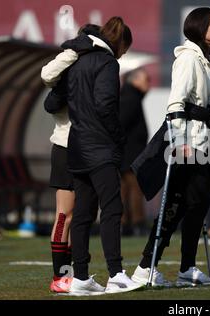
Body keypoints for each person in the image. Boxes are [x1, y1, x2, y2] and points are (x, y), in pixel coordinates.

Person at [131, 7, 210, 287]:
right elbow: (175, 104)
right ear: (199, 27)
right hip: (187, 144)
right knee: (175, 204)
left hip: (204, 141)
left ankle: (186, 268)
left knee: (198, 204)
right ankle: (146, 265)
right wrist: (181, 143)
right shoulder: (188, 60)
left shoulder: (207, 60)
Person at [64, 16, 141, 295]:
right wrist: (119, 138)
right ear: (119, 42)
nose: (124, 54)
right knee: (112, 209)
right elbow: (106, 105)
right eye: (125, 48)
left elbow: (58, 99)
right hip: (99, 147)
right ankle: (116, 273)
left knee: (83, 213)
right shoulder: (108, 63)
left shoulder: (77, 60)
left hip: (76, 146)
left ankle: (81, 277)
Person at [41, 24, 100, 293]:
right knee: (64, 214)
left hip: (87, 147)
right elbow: (46, 74)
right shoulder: (71, 57)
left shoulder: (97, 66)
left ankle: (74, 275)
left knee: (82, 215)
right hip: (65, 147)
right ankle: (58, 277)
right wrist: (74, 49)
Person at [119, 67, 150, 237]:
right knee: (134, 190)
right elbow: (121, 124)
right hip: (130, 156)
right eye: (146, 79)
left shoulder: (131, 96)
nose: (149, 84)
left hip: (129, 155)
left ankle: (127, 224)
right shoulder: (130, 98)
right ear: (135, 81)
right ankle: (136, 223)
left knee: (127, 190)